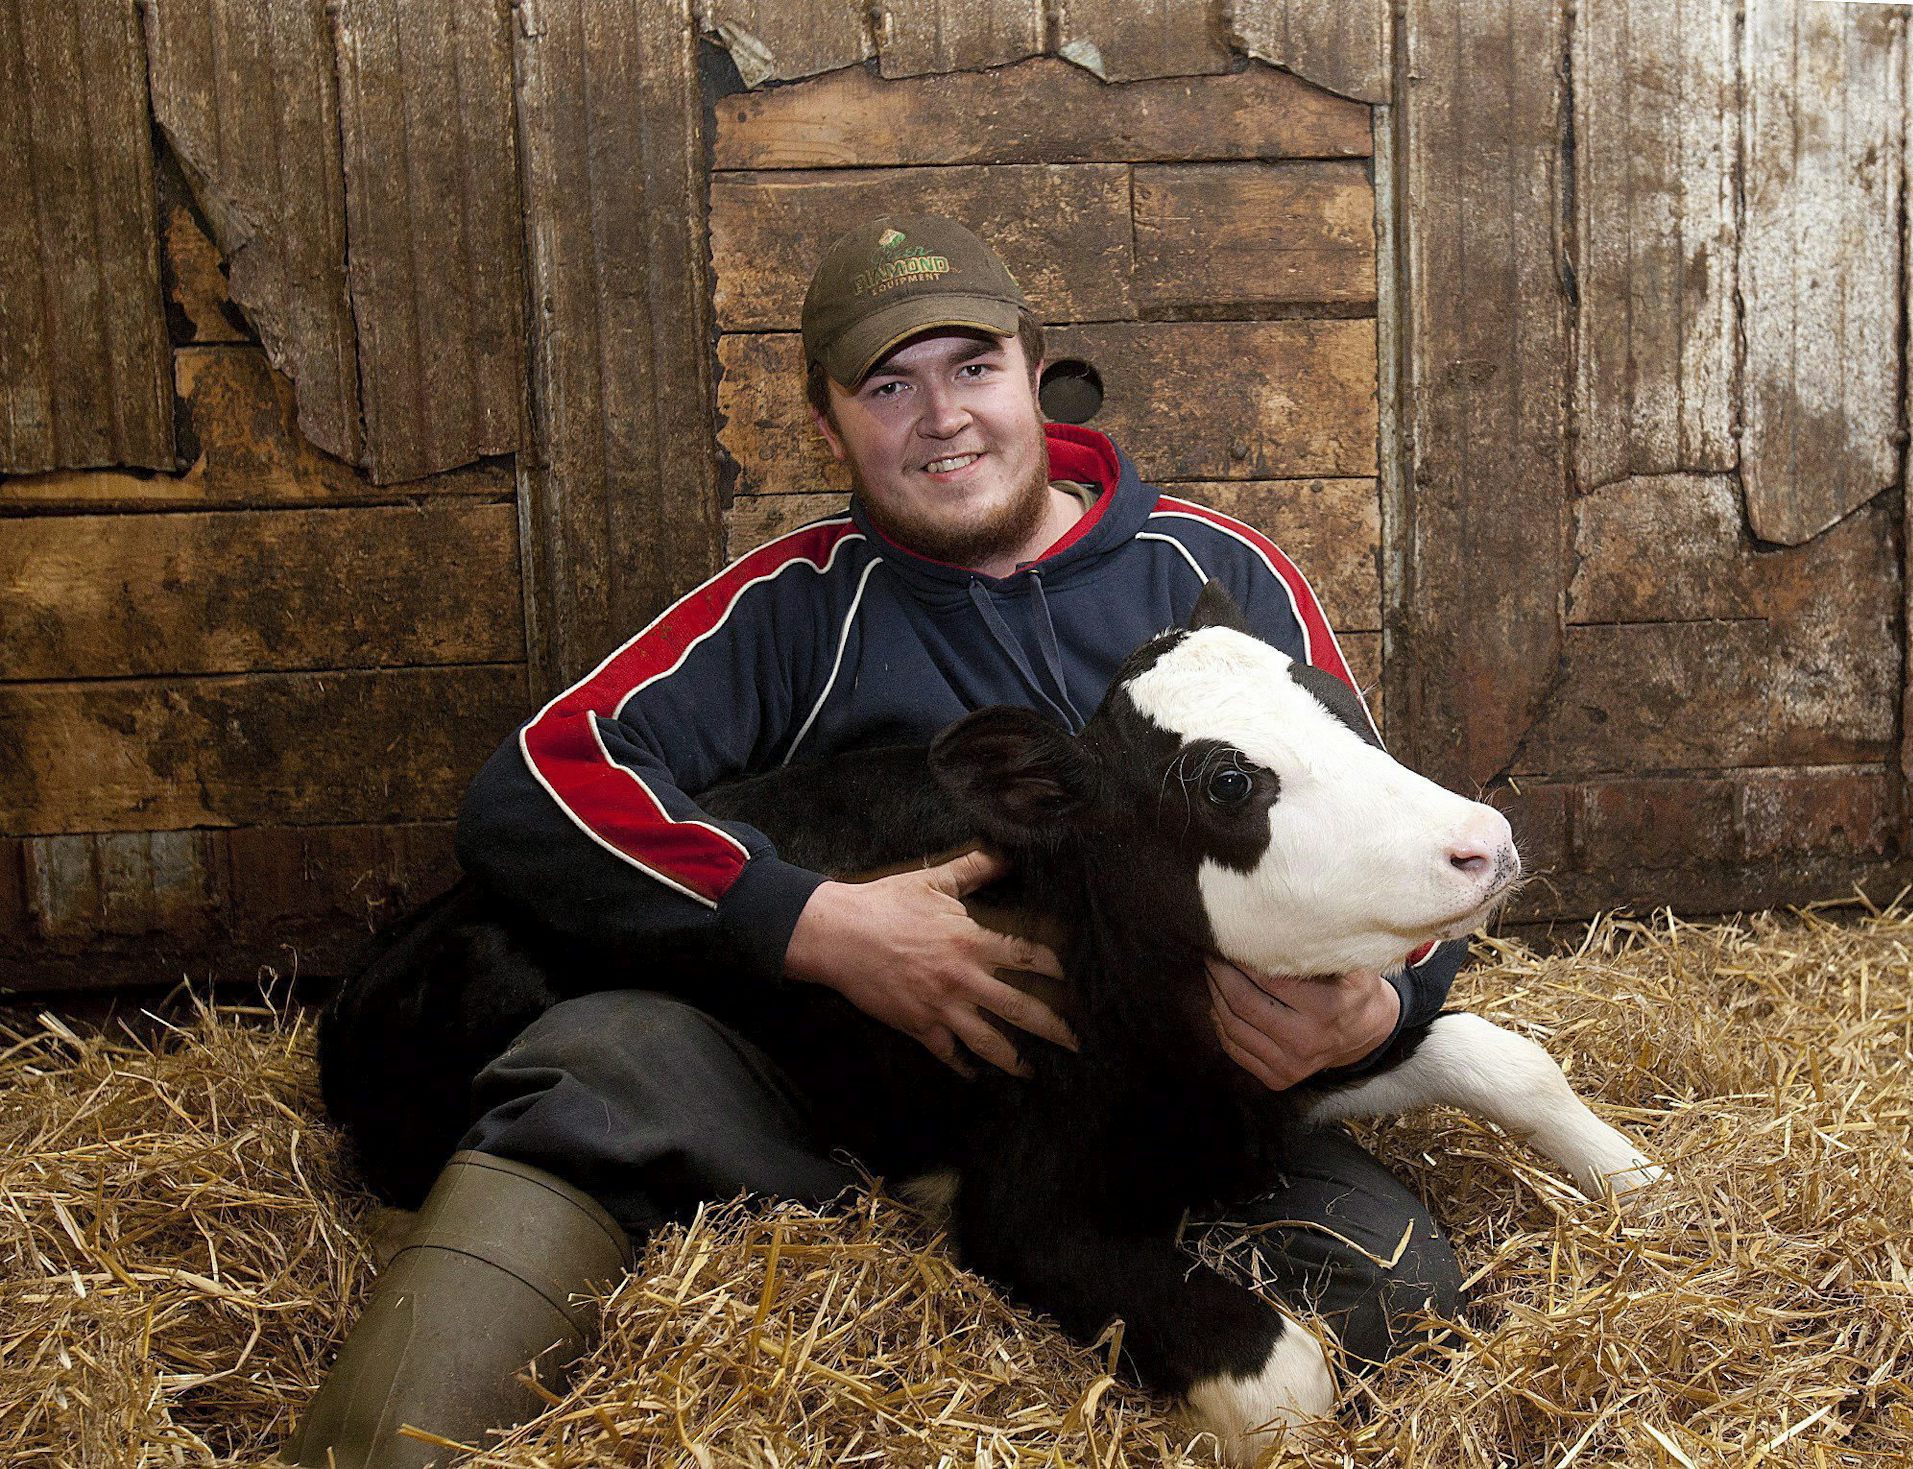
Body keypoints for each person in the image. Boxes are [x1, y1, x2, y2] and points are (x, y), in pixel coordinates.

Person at [281, 217, 1466, 1469]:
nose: (941, 416)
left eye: (971, 368)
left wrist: (1380, 1009)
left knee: (1395, 1290)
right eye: (888, 386)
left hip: (1157, 1096)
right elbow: (535, 786)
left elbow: (1386, 823)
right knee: (597, 1059)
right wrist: (811, 921)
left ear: (1034, 371)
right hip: (828, 1088)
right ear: (827, 424)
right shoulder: (792, 606)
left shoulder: (1210, 571)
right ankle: (382, 1445)